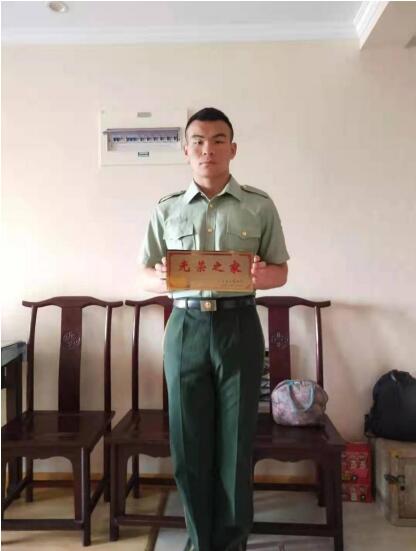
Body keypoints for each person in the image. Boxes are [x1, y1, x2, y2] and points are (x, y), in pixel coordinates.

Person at [138, 107, 289, 551]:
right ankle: (200, 540)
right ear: (186, 150)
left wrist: (265, 276)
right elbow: (144, 273)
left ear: (233, 149)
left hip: (238, 324)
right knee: (188, 443)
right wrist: (161, 279)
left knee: (236, 443)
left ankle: (232, 541)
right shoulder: (166, 209)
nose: (209, 149)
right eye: (199, 141)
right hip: (185, 327)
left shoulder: (259, 205)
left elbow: (280, 270)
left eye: (219, 140)